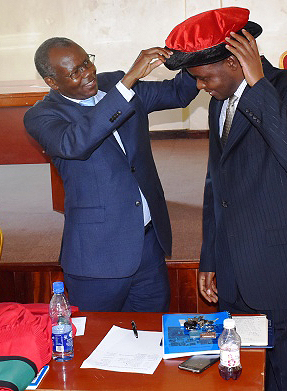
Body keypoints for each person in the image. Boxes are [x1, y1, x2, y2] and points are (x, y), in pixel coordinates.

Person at [164, 7, 287, 391]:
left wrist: (258, 86)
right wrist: (211, 256)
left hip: (282, 272)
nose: (200, 87)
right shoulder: (219, 102)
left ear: (236, 61)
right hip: (236, 271)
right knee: (243, 376)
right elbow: (214, 185)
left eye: (204, 77)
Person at [24, 37, 199, 312]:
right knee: (94, 343)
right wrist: (127, 82)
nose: (88, 73)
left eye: (87, 62)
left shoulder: (114, 84)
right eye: (75, 72)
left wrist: (197, 51)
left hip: (148, 245)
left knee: (152, 338)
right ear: (52, 82)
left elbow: (179, 92)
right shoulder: (41, 116)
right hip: (97, 257)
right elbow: (77, 142)